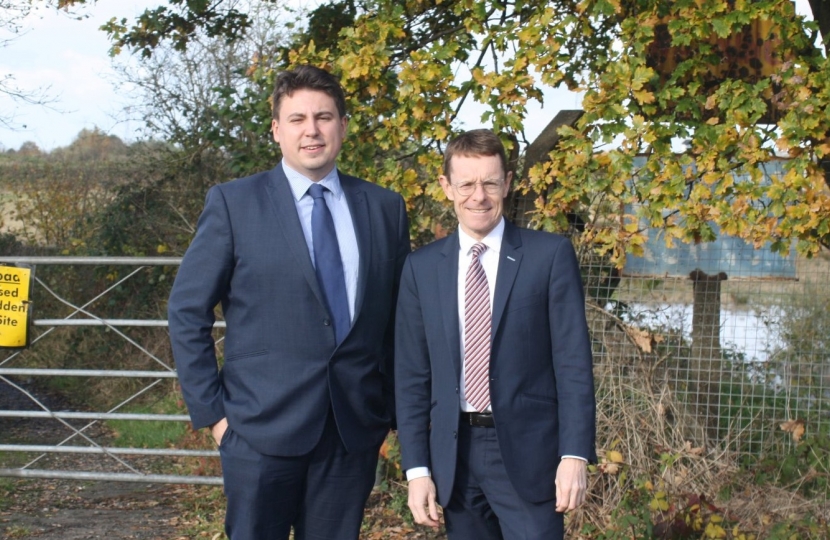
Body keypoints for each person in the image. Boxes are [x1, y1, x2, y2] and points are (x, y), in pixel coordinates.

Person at [167, 64, 410, 540]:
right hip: (258, 431)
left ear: (342, 125)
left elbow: (401, 320)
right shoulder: (234, 204)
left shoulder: (384, 208)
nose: (312, 130)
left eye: (324, 116)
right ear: (277, 129)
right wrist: (215, 418)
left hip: (351, 434)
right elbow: (187, 311)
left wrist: (392, 411)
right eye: (297, 119)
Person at [395, 129, 596, 539]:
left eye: (489, 182)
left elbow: (573, 362)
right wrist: (417, 469)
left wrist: (574, 454)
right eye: (466, 183)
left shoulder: (549, 255)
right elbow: (412, 376)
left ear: (506, 183)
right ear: (446, 187)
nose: (478, 196)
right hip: (455, 455)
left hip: (530, 453)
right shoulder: (422, 268)